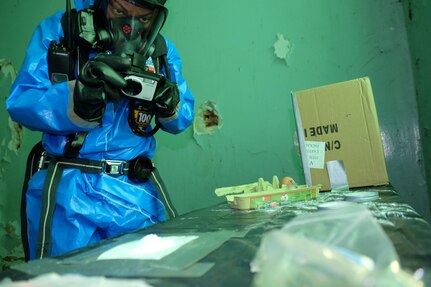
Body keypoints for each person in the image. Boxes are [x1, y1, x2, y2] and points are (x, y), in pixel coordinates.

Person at [6, 0, 194, 261]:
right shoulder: (61, 32)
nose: (129, 28)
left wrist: (169, 103)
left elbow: (182, 118)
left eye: (145, 19)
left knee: (149, 274)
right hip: (69, 190)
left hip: (134, 190)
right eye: (119, 12)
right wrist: (77, 98)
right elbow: (22, 101)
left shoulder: (160, 51)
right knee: (65, 278)